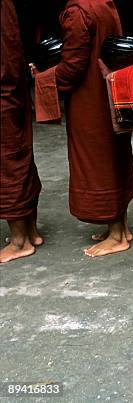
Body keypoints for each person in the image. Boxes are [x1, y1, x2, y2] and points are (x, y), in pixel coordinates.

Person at [31, 0, 133, 257]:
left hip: (90, 98)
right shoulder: (104, 3)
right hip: (108, 90)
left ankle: (117, 235)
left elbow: (73, 66)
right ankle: (120, 226)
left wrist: (43, 78)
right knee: (113, 156)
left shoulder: (79, 11)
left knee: (96, 161)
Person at [1, 0, 43, 264]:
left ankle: (20, 241)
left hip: (5, 93)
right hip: (12, 91)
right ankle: (30, 231)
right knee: (18, 157)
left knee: (8, 164)